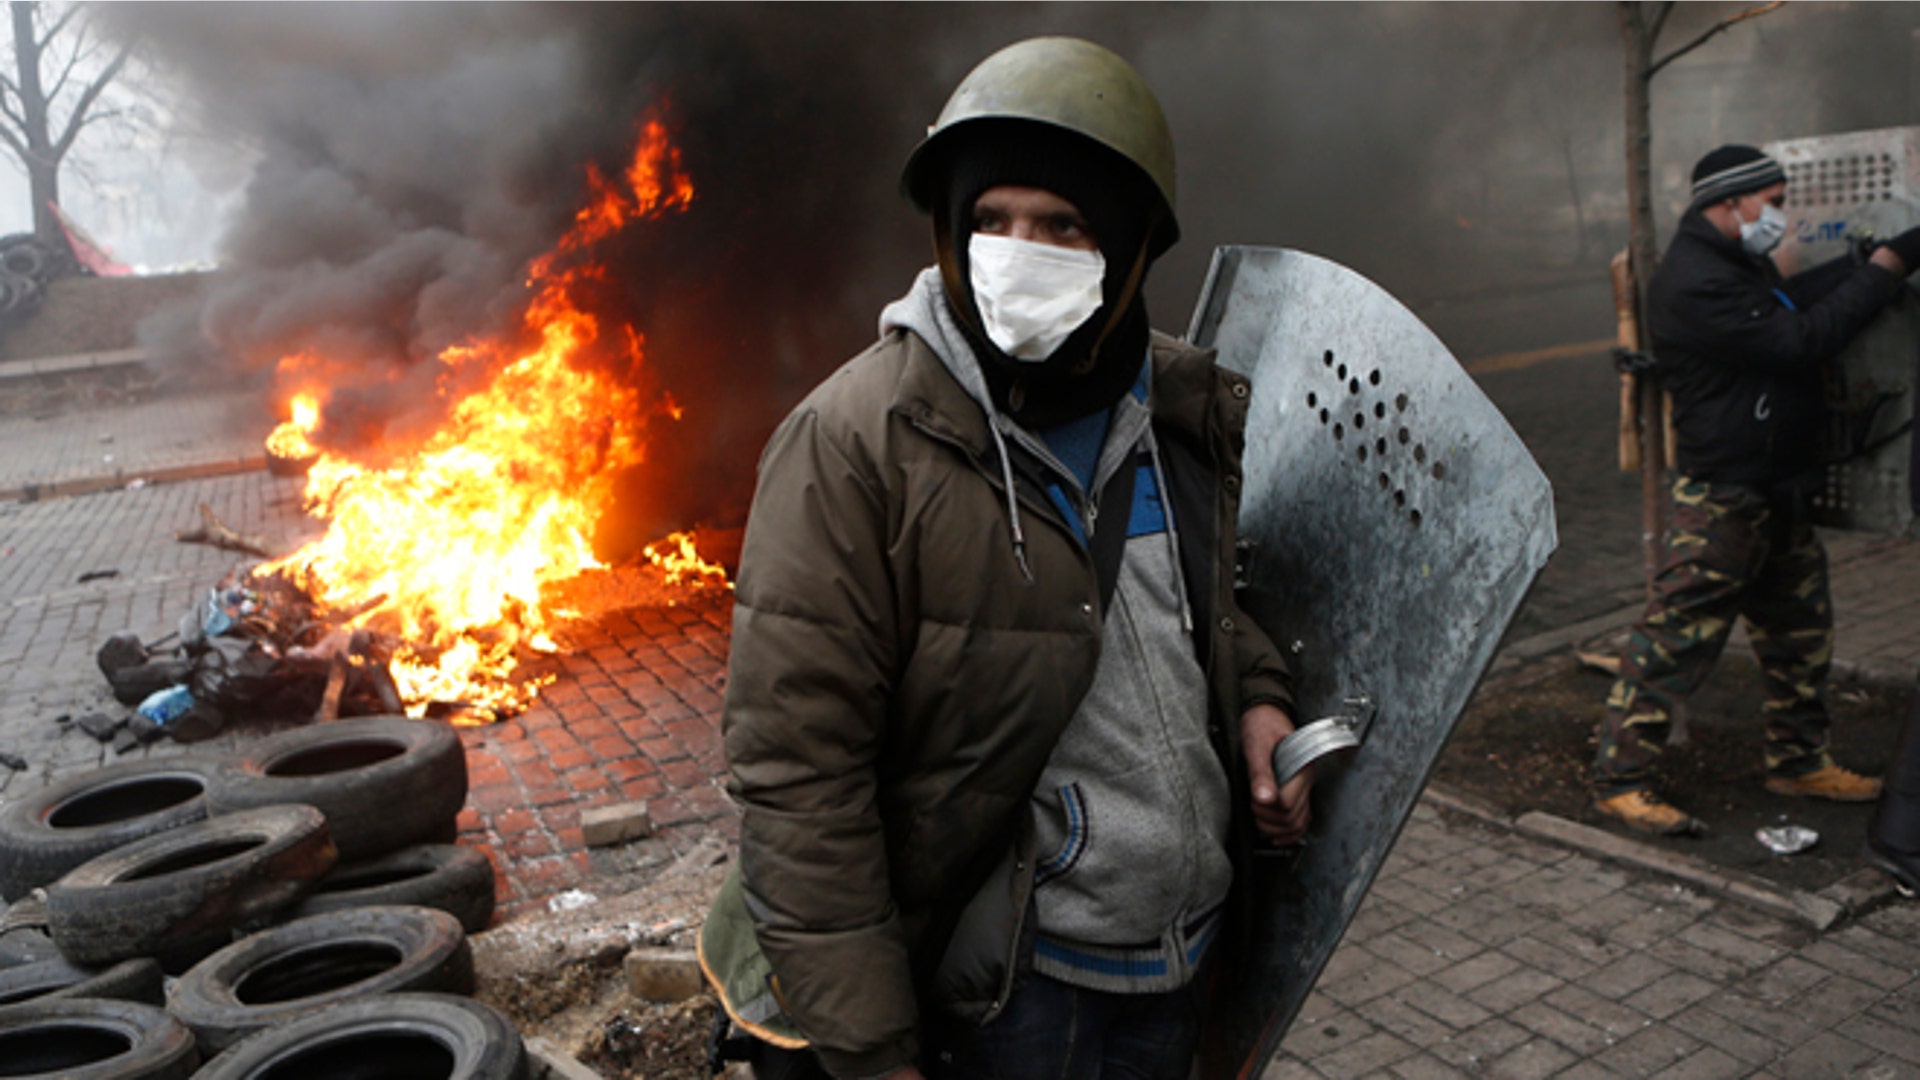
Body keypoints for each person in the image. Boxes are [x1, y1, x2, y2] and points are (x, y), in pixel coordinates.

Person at [698, 37, 1310, 1080]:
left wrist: (1257, 694)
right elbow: (800, 775)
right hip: (1016, 987)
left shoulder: (1172, 406)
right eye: (991, 221)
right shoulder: (854, 443)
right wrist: (872, 1048)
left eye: (1061, 225)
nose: (1016, 252)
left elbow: (1194, 604)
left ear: (1125, 246)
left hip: (1184, 954)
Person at [1593, 144, 1920, 836]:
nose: (1779, 214)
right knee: (1675, 640)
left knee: (1801, 637)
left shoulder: (1734, 260)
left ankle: (1799, 761)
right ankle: (1619, 781)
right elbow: (1797, 339)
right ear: (1730, 202)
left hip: (1776, 489)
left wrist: (1862, 264)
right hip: (1725, 498)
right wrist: (1889, 270)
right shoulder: (1691, 279)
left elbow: (1782, 302)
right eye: (1771, 202)